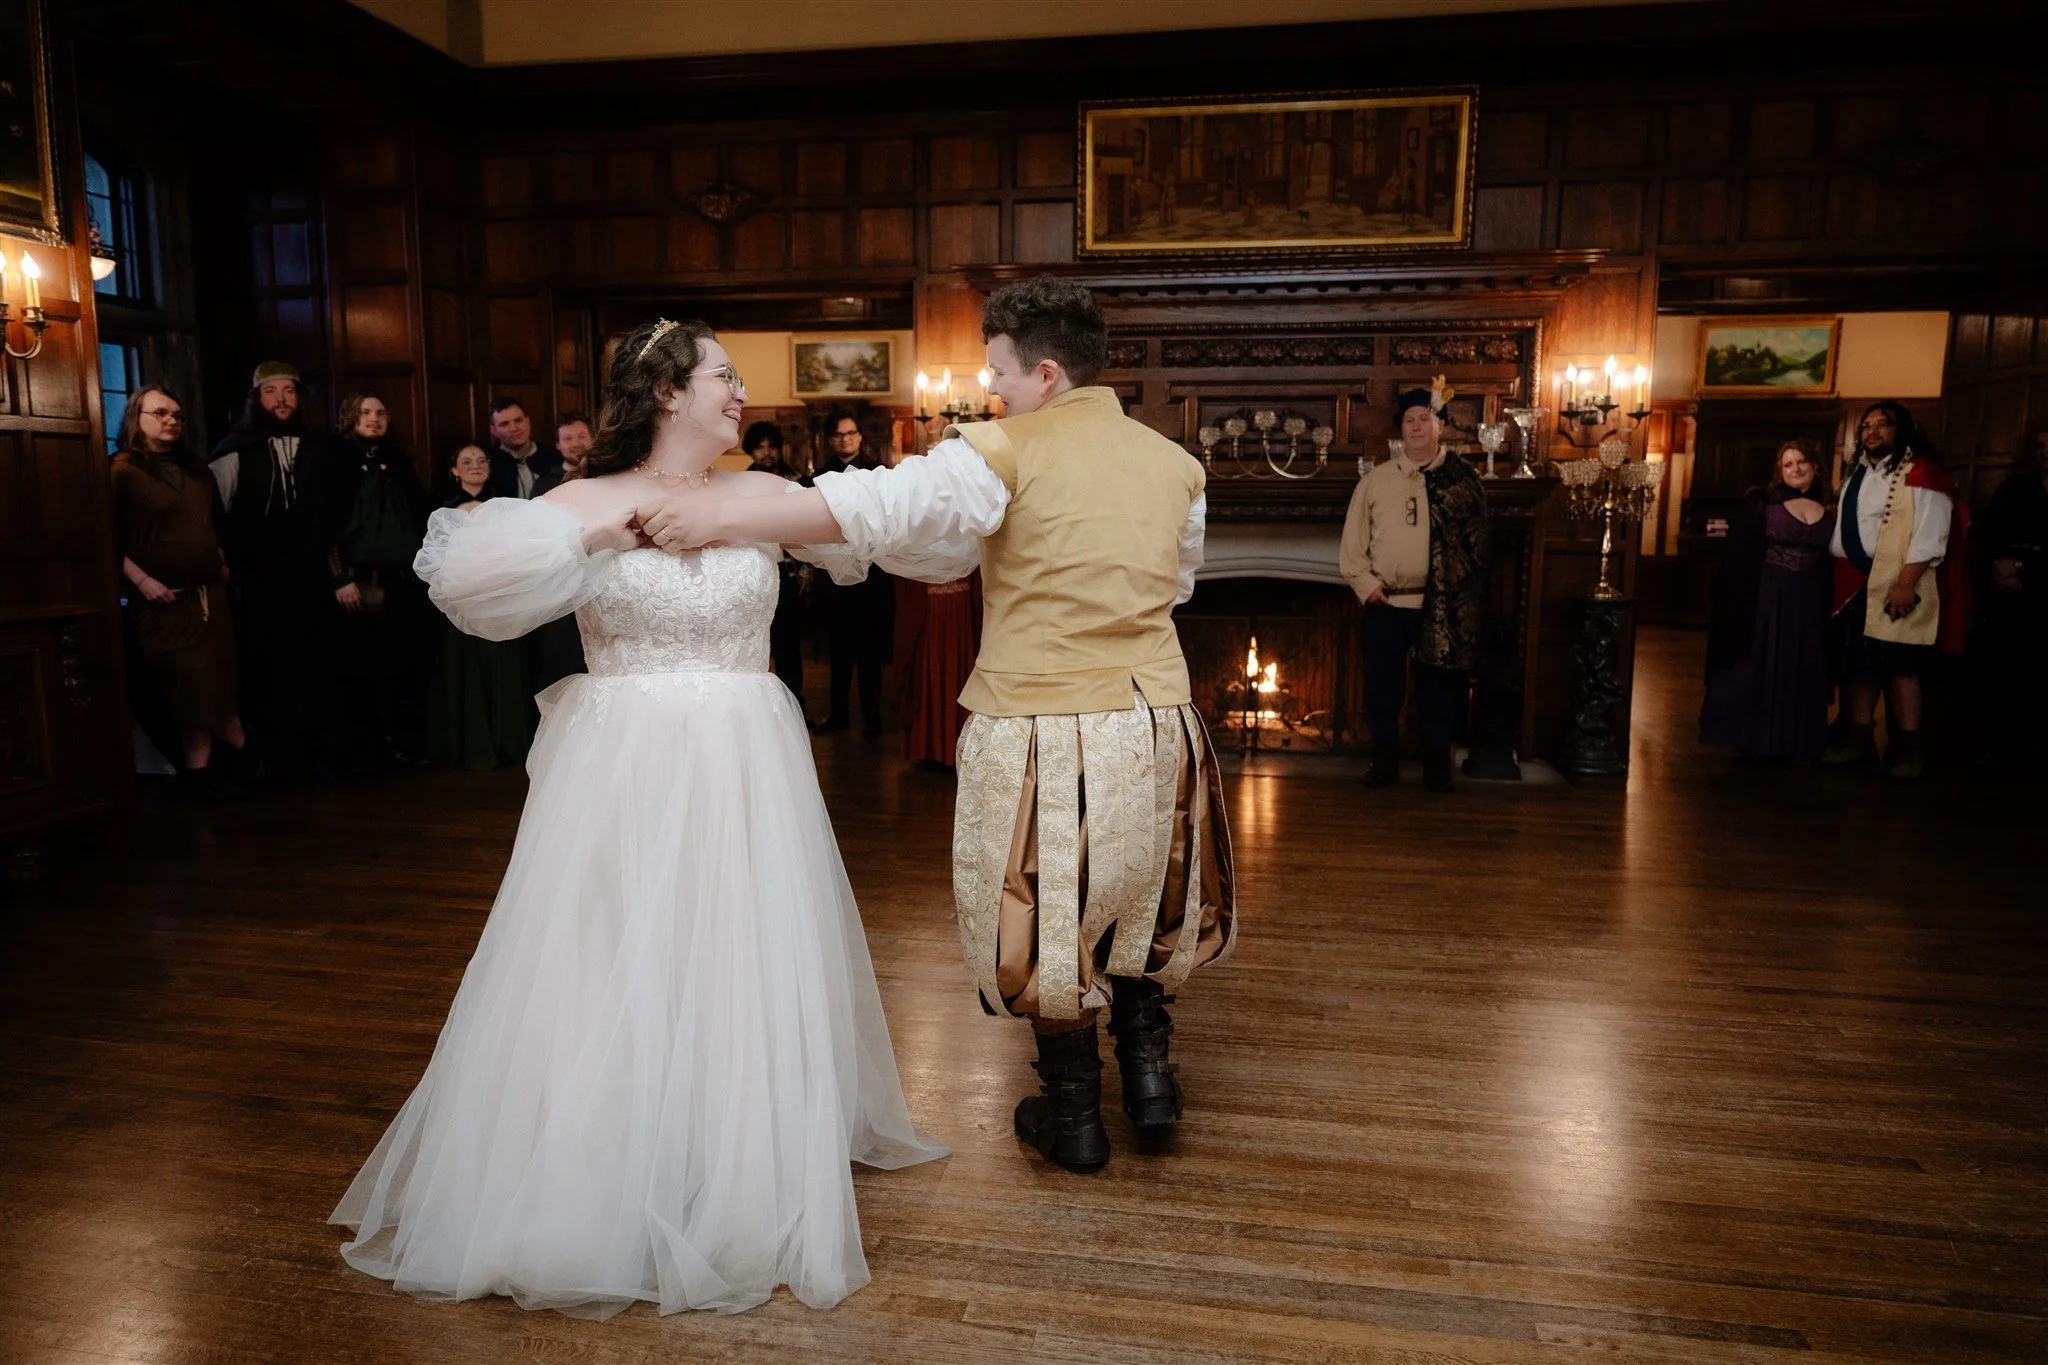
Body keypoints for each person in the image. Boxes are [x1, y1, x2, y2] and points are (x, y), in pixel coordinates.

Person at [333, 321, 945, 1318]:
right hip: (622, 758)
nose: (741, 395)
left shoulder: (760, 496)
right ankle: (612, 1159)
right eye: (725, 378)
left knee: (734, 951)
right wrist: (595, 540)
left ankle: (731, 1153)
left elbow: (895, 532)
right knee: (615, 954)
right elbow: (461, 584)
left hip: (746, 752)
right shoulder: (583, 497)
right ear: (666, 394)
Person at [639, 276, 1238, 1175]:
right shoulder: (1174, 463)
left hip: (1043, 723)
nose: (988, 389)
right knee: (1141, 892)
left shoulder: (994, 452)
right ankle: (1150, 1079)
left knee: (1049, 916)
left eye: (998, 371)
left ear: (1043, 373)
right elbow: (1175, 584)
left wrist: (722, 508)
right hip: (1159, 719)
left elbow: (878, 508)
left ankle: (1075, 1115)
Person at [1337, 380, 1489, 792]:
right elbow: (1353, 543)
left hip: (1440, 607)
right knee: (1383, 689)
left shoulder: (1461, 481)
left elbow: (1475, 545)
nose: (1417, 427)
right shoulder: (1376, 481)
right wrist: (1366, 585)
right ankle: (1384, 763)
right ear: (1400, 430)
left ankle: (1436, 768)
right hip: (1385, 603)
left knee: (1437, 693)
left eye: (1425, 418)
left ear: (1441, 425)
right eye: (1409, 420)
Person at [110, 386, 250, 800]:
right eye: (161, 413)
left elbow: (209, 520)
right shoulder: (121, 471)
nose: (171, 421)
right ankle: (242, 750)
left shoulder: (195, 468)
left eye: (177, 415)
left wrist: (218, 556)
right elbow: (105, 537)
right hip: (163, 601)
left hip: (209, 595)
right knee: (188, 685)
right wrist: (140, 580)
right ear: (137, 418)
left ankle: (200, 773)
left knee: (218, 682)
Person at [1824, 401, 1970, 779]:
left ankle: (1909, 753)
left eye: (1882, 425)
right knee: (1859, 668)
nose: (1872, 431)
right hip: (1851, 586)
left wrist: (1905, 584)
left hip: (1898, 585)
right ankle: (1859, 743)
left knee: (1902, 670)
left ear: (1901, 429)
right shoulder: (1857, 471)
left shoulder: (1924, 473)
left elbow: (1931, 535)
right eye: (1867, 426)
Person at [209, 360, 328, 779]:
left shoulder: (318, 449)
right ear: (256, 399)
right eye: (271, 391)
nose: (281, 399)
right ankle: (270, 759)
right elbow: (212, 514)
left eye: (289, 390)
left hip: (310, 577)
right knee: (265, 665)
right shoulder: (234, 451)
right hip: (258, 580)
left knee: (311, 665)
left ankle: (312, 756)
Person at [312, 392, 432, 768]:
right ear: (350, 417)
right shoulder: (333, 461)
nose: (374, 418)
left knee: (402, 667)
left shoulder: (397, 462)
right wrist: (339, 579)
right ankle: (365, 752)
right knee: (359, 670)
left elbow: (417, 517)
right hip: (357, 582)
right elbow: (323, 526)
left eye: (380, 412)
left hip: (401, 582)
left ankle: (401, 747)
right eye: (365, 412)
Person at [1700, 439, 1837, 762]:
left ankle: (1798, 741)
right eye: (1787, 464)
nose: (1795, 469)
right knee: (1764, 661)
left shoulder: (1832, 506)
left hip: (1810, 597)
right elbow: (1739, 554)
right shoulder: (1763, 501)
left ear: (1816, 467)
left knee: (1800, 663)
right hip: (1769, 594)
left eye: (1801, 462)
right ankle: (1756, 739)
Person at [425, 446, 534, 770]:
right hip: (465, 603)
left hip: (503, 602)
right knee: (469, 673)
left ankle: (508, 744)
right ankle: (474, 747)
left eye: (481, 461)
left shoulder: (505, 507)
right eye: (466, 462)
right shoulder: (442, 511)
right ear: (454, 470)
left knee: (506, 671)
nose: (475, 467)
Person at [811, 410, 894, 736]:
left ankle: (872, 718)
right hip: (834, 582)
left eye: (850, 433)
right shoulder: (819, 477)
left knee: (871, 653)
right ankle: (839, 715)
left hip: (874, 579)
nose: (845, 438)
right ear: (832, 439)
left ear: (860, 436)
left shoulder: (879, 473)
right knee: (839, 653)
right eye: (839, 434)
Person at [1974, 432, 2048, 771]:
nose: (2045, 452)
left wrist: (2023, 564)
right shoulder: (2016, 487)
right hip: (2009, 593)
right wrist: (2003, 568)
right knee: (2007, 666)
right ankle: (2003, 744)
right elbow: (1991, 533)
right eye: (2042, 445)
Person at [740, 421, 809, 707]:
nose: (767, 452)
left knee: (788, 641)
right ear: (751, 451)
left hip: (789, 571)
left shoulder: (795, 480)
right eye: (760, 447)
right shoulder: (740, 484)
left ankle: (795, 701)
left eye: (771, 446)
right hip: (754, 568)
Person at [894, 571, 981, 767]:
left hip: (960, 604)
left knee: (955, 669)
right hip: (930, 602)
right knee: (929, 670)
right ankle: (930, 746)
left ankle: (954, 745)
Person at [484, 397, 563, 499]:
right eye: (504, 424)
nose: (514, 428)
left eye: (518, 420)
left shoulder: (554, 457)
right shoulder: (487, 463)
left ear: (528, 421)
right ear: (493, 430)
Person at [554, 411, 594, 480]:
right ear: (558, 445)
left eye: (582, 436)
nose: (576, 444)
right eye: (568, 438)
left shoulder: (608, 476)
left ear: (593, 439)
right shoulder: (544, 485)